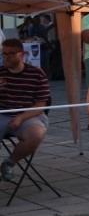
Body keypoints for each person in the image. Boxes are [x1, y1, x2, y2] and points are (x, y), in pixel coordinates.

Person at [1, 39, 51, 183]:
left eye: (10, 53)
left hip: (30, 114)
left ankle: (9, 163)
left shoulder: (37, 74)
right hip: (3, 113)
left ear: (21, 54)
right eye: (3, 53)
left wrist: (21, 118)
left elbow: (41, 104)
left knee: (35, 134)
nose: (6, 57)